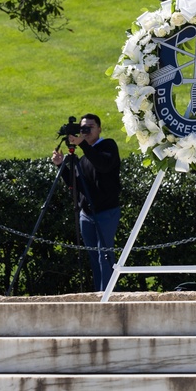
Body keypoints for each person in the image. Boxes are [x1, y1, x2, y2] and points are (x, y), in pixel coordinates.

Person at [51, 113, 122, 291]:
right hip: (87, 214)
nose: (86, 130)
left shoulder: (108, 146)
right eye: (83, 128)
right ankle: (100, 293)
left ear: (99, 129)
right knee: (93, 256)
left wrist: (81, 143)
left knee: (104, 256)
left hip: (106, 211)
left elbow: (103, 164)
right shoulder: (82, 159)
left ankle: (108, 294)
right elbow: (75, 186)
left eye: (90, 127)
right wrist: (61, 165)